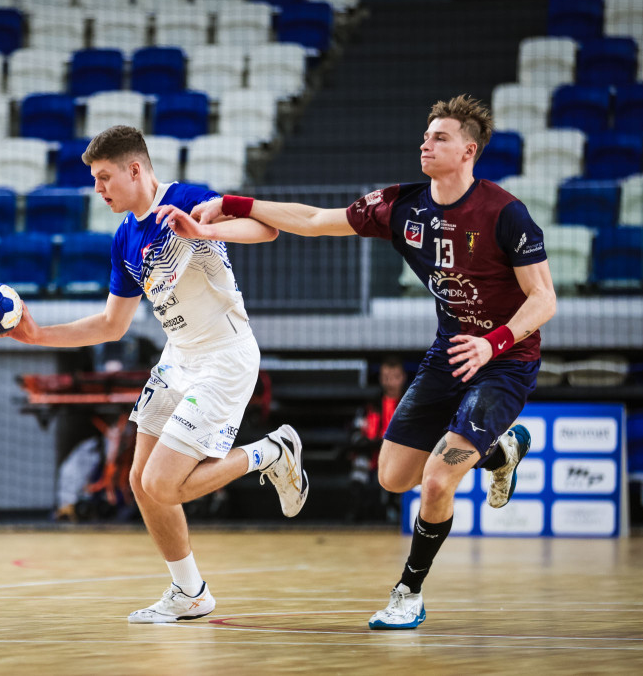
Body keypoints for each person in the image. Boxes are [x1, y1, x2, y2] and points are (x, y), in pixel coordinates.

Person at [158, 95, 556, 629]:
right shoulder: (405, 207)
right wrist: (235, 204)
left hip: (505, 359)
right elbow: (316, 219)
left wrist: (495, 342)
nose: (426, 142)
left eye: (440, 137)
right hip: (448, 354)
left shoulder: (506, 214)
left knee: (438, 480)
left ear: (469, 151)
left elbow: (545, 299)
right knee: (394, 477)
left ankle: (407, 593)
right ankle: (501, 450)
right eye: (425, 134)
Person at [0, 125, 308, 623]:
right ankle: (191, 593)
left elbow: (266, 229)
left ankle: (269, 452)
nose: (98, 190)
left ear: (135, 169)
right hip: (178, 358)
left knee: (163, 484)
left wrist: (206, 229)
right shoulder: (123, 239)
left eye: (103, 178)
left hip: (224, 357)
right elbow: (111, 325)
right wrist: (37, 335)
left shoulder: (188, 199)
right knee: (141, 482)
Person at [347, 357, 406, 522]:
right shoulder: (370, 405)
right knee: (359, 465)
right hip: (371, 454)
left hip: (398, 458)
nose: (390, 382)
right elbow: (356, 434)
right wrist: (370, 444)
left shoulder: (410, 405)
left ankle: (393, 514)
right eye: (386, 377)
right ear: (380, 378)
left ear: (402, 378)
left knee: (399, 468)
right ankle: (356, 517)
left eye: (394, 377)